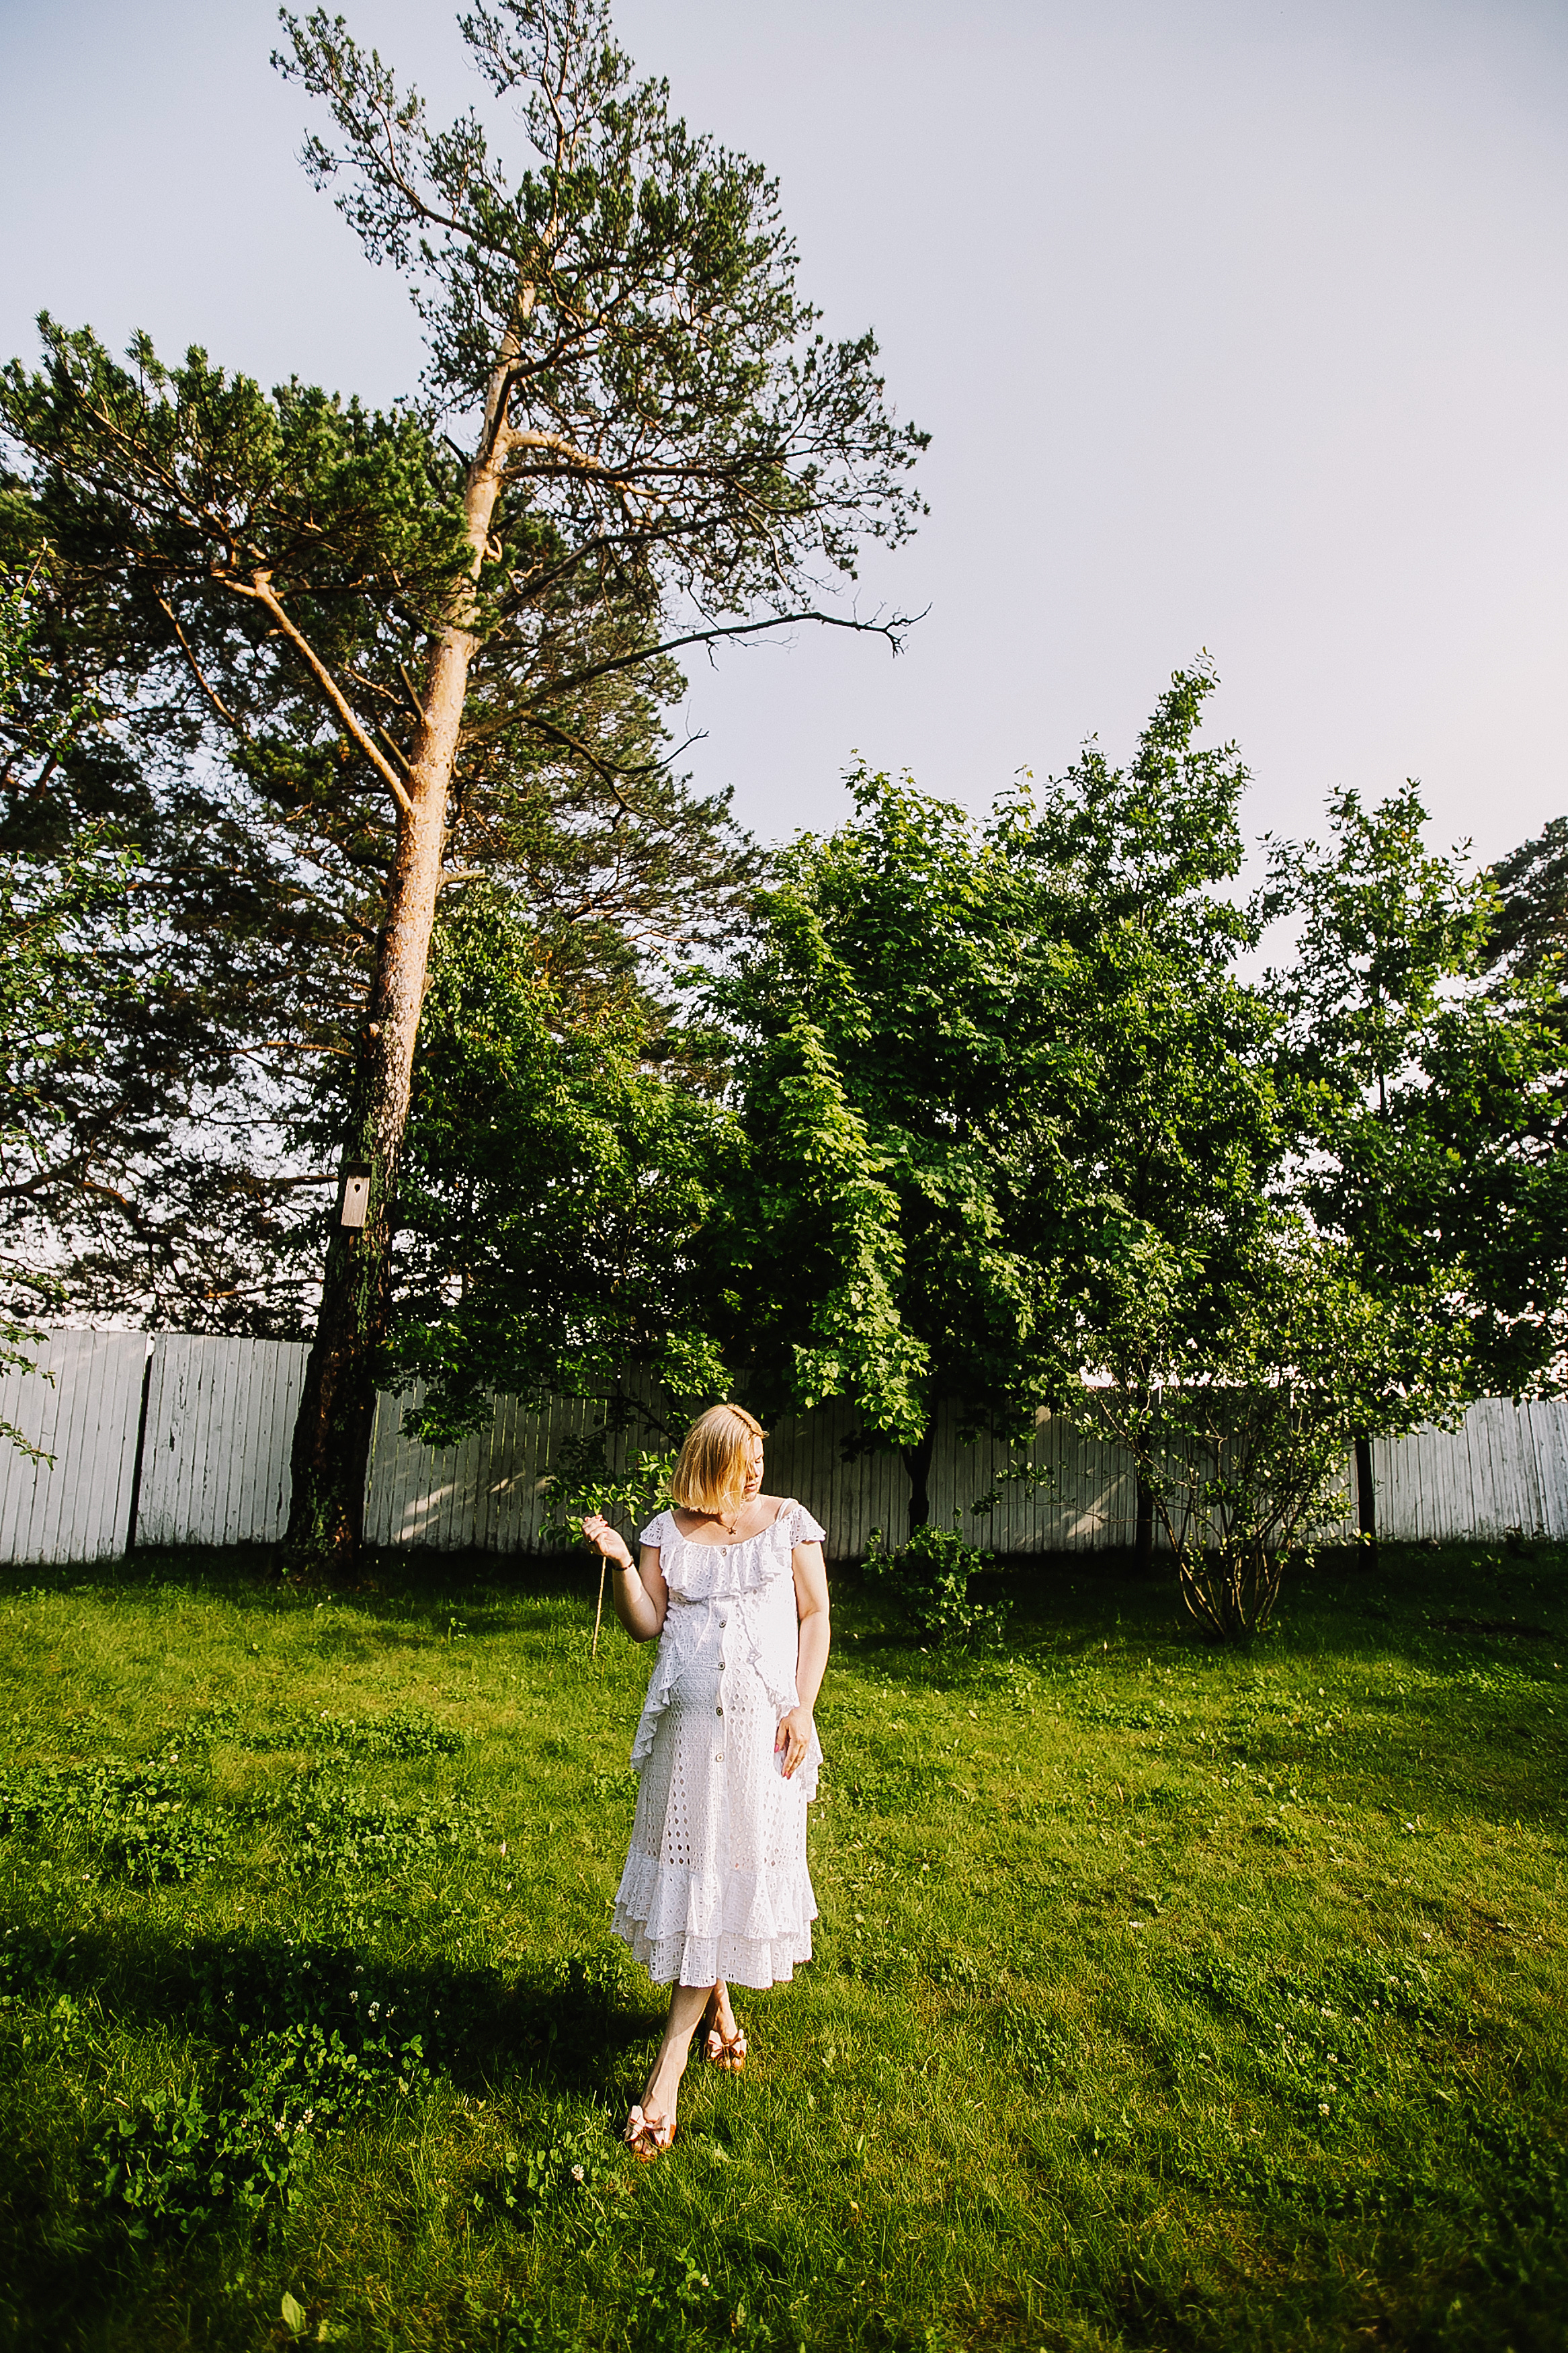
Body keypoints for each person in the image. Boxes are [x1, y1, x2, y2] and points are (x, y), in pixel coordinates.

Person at [581, 1402, 830, 2158]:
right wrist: (624, 1561)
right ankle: (717, 2008)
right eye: (743, 1456)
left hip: (764, 1737)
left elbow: (815, 1613)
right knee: (698, 1876)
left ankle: (666, 2074)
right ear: (710, 1459)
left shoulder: (788, 1521)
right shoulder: (666, 1529)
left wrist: (803, 1707)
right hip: (684, 1742)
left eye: (761, 1452)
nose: (757, 1468)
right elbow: (645, 1625)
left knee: (721, 1878)